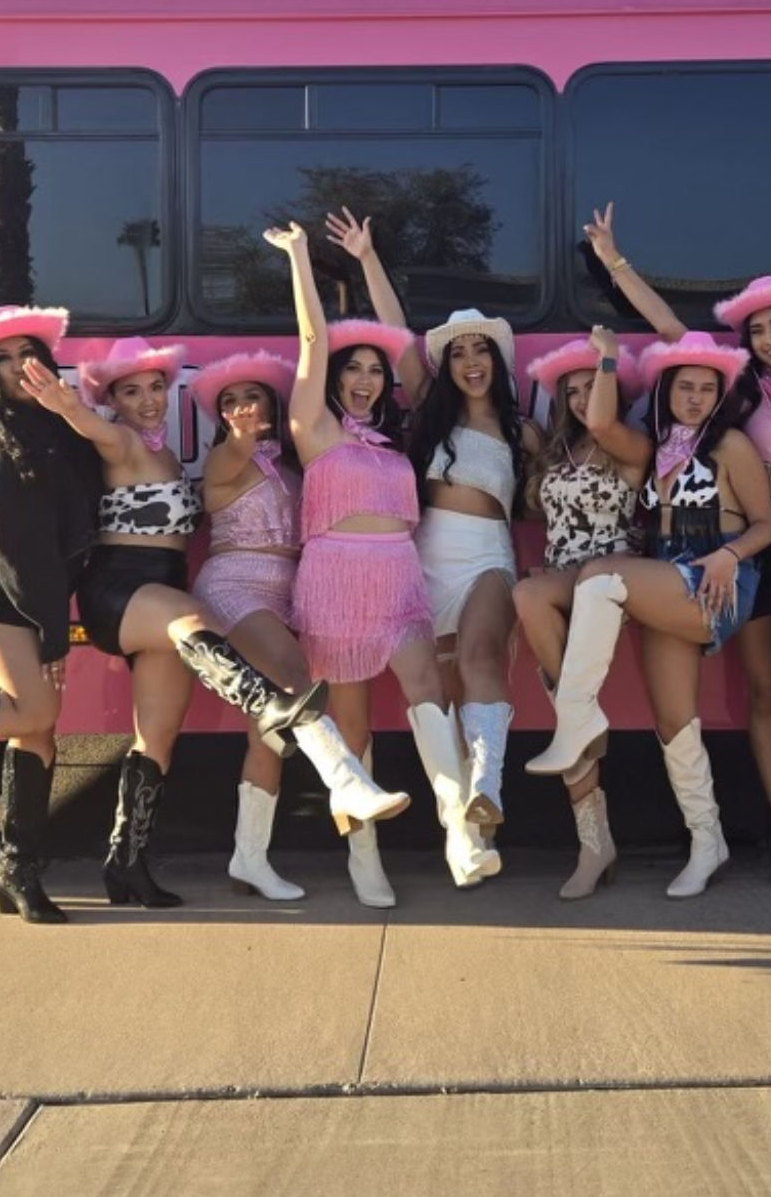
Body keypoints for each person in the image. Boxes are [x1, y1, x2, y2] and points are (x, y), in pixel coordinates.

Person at [25, 332, 399, 908]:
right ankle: (339, 773)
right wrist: (66, 404)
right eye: (132, 391)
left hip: (173, 589)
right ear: (114, 400)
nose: (148, 400)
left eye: (155, 388)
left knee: (159, 738)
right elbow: (96, 428)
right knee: (232, 647)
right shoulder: (131, 442)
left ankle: (128, 866)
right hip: (128, 587)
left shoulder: (173, 455)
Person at [583, 204, 771, 887]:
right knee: (763, 694)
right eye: (754, 329)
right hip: (754, 542)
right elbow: (670, 327)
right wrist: (613, 261)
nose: (765, 338)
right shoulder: (737, 387)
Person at [265, 222, 496, 893]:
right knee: (355, 727)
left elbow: (409, 352)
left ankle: (460, 828)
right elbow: (312, 338)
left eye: (375, 370)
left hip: (398, 578)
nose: (367, 378)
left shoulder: (396, 440)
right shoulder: (315, 429)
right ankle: (364, 861)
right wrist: (302, 257)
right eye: (355, 368)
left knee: (429, 692)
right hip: (335, 580)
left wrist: (369, 259)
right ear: (335, 376)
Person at [527, 331, 771, 898]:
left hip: (715, 576)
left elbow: (766, 524)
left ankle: (577, 719)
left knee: (601, 576)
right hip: (667, 573)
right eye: (684, 387)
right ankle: (707, 842)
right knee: (674, 722)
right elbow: (601, 427)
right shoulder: (656, 444)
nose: (694, 398)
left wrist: (727, 555)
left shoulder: (731, 444)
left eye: (706, 389)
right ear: (666, 392)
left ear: (720, 395)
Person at [325, 208, 538, 860]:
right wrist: (367, 258)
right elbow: (397, 334)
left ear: (496, 361)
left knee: (479, 660)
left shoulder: (522, 430)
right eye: (459, 351)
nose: (470, 361)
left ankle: (489, 788)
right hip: (424, 566)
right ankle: (467, 837)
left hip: (488, 561)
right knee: (441, 696)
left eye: (481, 350)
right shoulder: (429, 408)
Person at [0, 305, 101, 923]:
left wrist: (71, 411)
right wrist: (53, 639)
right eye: (6, 359)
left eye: (29, 356)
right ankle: (16, 870)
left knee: (37, 729)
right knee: (36, 708)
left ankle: (16, 870)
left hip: (23, 593)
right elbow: (21, 560)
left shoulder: (49, 427)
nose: (22, 368)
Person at [517, 329, 649, 898]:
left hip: (610, 578)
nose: (579, 400)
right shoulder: (553, 450)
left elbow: (601, 423)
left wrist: (609, 356)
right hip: (559, 577)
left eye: (590, 387)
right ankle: (595, 844)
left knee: (528, 600)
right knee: (569, 707)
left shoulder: (631, 446)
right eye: (570, 391)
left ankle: (595, 842)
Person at [191, 350, 314, 902]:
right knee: (292, 676)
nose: (241, 408)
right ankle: (349, 784)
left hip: (286, 592)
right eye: (229, 402)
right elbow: (233, 453)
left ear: (272, 403)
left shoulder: (291, 466)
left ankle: (250, 856)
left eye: (252, 397)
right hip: (233, 585)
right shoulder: (224, 459)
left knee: (268, 722)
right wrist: (240, 435)